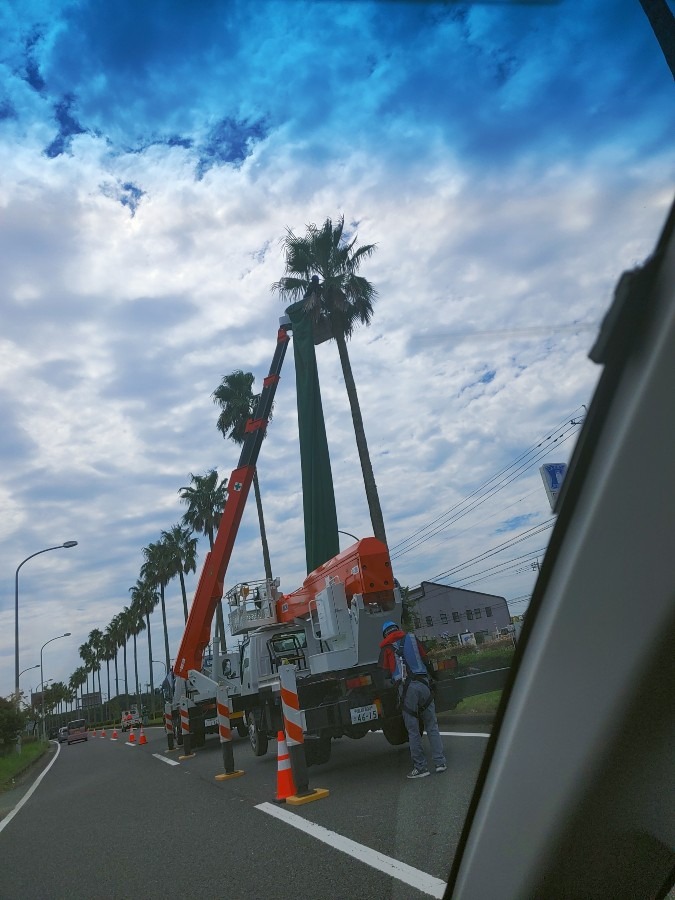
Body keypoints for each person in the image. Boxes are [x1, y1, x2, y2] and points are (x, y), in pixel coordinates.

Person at [379, 620, 447, 779]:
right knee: (432, 725)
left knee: (413, 730)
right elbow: (425, 659)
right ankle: (440, 762)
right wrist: (435, 677)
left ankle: (421, 768)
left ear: (385, 634)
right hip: (424, 684)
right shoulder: (412, 639)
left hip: (407, 689)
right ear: (397, 629)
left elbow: (384, 674)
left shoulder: (386, 648)